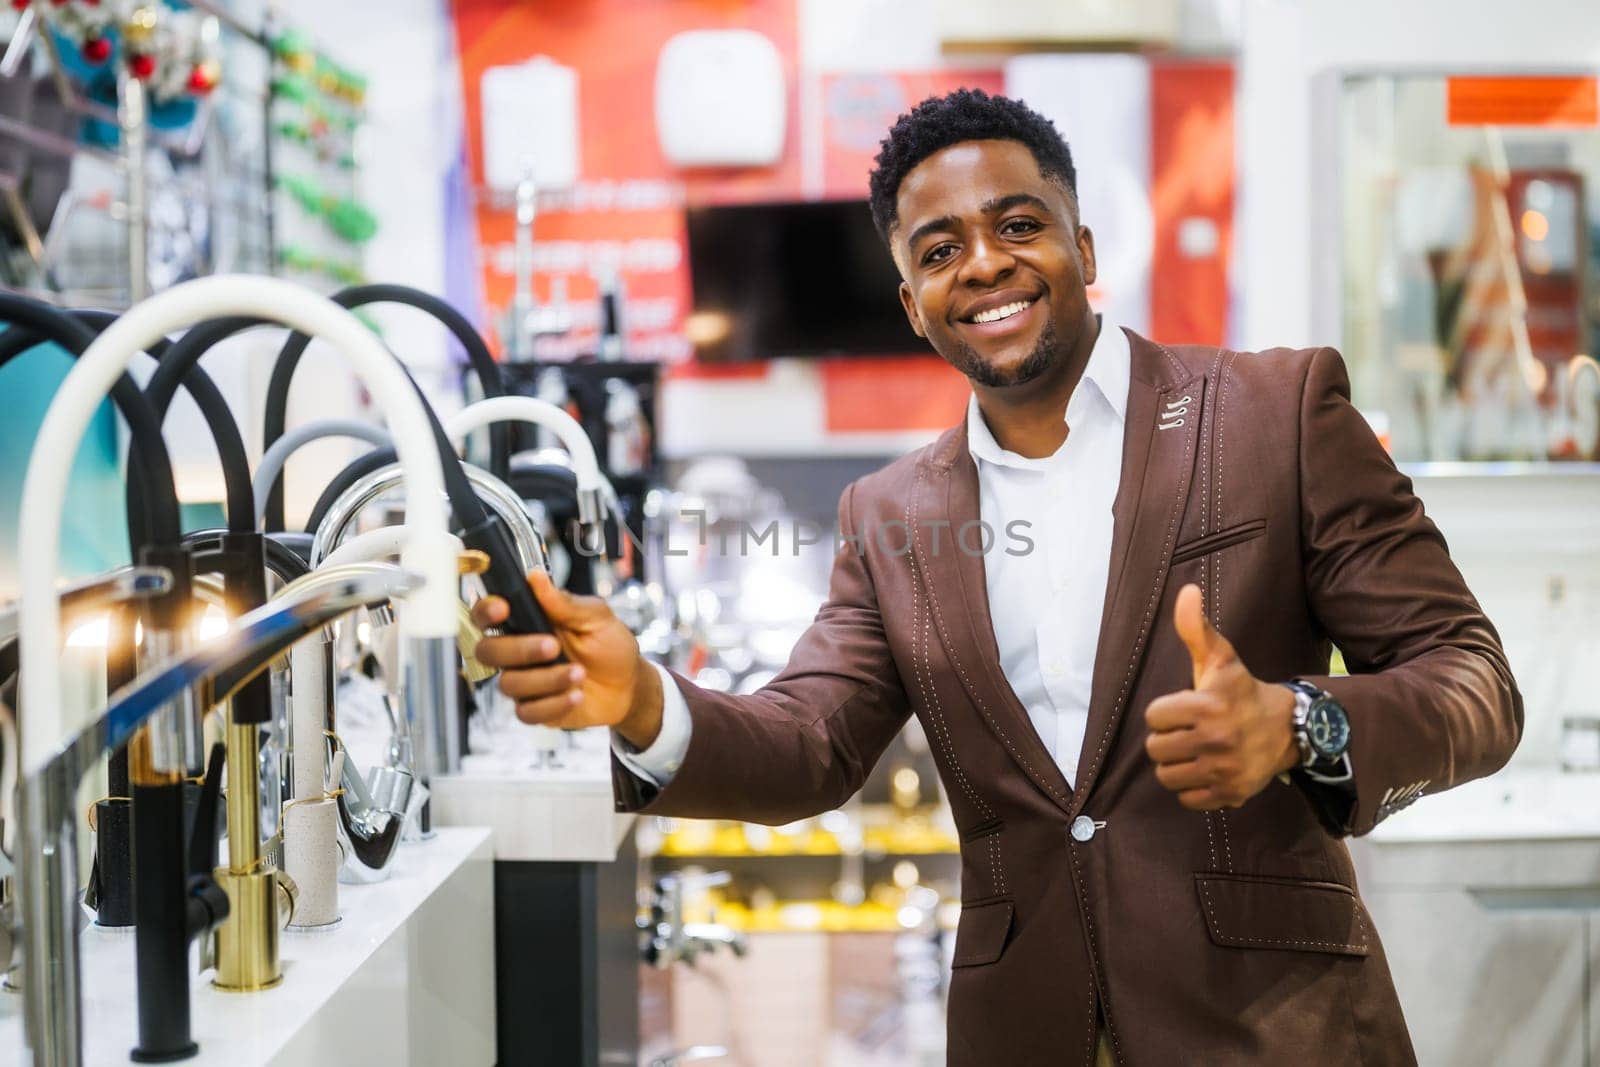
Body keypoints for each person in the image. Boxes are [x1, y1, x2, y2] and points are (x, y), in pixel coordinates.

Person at [471, 90, 1521, 1066]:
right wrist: (642, 699)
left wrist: (1299, 721)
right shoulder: (888, 515)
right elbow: (810, 744)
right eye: (940, 249)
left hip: (1273, 1023)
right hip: (1024, 1027)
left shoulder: (1272, 412)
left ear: (1083, 244)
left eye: (1018, 225)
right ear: (913, 305)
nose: (982, 263)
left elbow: (1472, 679)